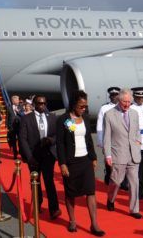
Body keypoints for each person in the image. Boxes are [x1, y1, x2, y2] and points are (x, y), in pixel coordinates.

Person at [56, 90, 105, 236]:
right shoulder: (64, 120)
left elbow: (88, 139)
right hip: (71, 162)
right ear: (73, 105)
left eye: (85, 106)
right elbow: (60, 143)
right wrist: (62, 163)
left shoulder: (85, 118)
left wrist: (93, 157)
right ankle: (72, 221)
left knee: (90, 192)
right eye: (81, 106)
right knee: (71, 193)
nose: (83, 109)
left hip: (85, 161)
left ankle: (94, 224)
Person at [19, 95, 61, 220]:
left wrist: (50, 140)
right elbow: (22, 139)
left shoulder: (52, 117)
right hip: (34, 156)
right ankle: (37, 204)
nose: (41, 105)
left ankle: (54, 209)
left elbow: (57, 135)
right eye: (39, 103)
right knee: (35, 182)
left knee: (49, 182)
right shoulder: (26, 119)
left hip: (48, 155)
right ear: (34, 104)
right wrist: (29, 156)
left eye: (43, 103)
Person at [103, 88, 143, 219]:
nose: (127, 104)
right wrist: (108, 155)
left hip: (134, 154)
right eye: (124, 101)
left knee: (134, 183)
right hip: (118, 154)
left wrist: (138, 142)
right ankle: (110, 199)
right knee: (116, 182)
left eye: (129, 102)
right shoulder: (109, 114)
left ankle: (134, 209)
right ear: (119, 100)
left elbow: (137, 130)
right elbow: (107, 137)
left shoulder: (134, 113)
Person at [96, 86, 128, 190]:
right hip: (108, 138)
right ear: (109, 96)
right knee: (110, 162)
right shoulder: (104, 108)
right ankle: (109, 175)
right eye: (112, 95)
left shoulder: (124, 106)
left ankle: (123, 181)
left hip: (121, 139)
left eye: (116, 95)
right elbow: (100, 125)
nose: (114, 97)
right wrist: (101, 140)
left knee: (124, 160)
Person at [6, 95, 23, 159]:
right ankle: (15, 154)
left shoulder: (21, 107)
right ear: (13, 101)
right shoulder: (9, 107)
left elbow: (23, 115)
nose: (18, 101)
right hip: (12, 127)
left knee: (20, 140)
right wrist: (7, 126)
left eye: (18, 99)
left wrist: (18, 112)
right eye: (17, 100)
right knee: (13, 141)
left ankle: (21, 153)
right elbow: (7, 117)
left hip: (19, 126)